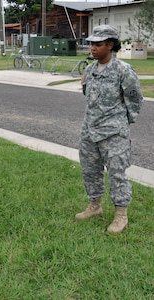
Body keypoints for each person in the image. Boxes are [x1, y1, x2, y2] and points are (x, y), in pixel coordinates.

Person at [75, 24, 143, 234]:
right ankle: (94, 206)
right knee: (90, 170)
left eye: (98, 44)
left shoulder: (123, 70)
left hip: (114, 133)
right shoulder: (90, 69)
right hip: (90, 130)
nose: (92, 48)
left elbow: (135, 100)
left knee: (116, 174)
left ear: (110, 45)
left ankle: (121, 215)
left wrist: (120, 124)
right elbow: (88, 94)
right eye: (91, 44)